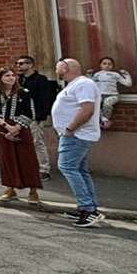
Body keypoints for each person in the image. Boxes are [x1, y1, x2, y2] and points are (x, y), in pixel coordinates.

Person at [52, 58, 105, 228]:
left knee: (67, 167)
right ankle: (88, 207)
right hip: (76, 134)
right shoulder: (75, 85)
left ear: (66, 67)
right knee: (80, 170)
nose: (56, 70)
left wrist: (69, 129)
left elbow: (87, 109)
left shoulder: (83, 84)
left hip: (77, 135)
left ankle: (88, 209)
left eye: (58, 66)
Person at [0, 68, 41, 202]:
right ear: (0, 78)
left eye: (13, 75)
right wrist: (6, 126)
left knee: (27, 158)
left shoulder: (23, 93)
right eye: (7, 76)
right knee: (7, 159)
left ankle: (33, 190)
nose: (11, 78)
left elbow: (30, 112)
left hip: (21, 127)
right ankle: (10, 188)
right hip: (2, 127)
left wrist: (17, 127)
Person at [15, 55, 56, 180]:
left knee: (37, 142)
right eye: (17, 63)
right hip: (19, 117)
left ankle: (44, 169)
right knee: (22, 142)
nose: (18, 66)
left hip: (34, 116)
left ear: (30, 65)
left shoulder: (40, 79)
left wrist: (40, 116)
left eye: (21, 63)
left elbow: (45, 99)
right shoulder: (19, 80)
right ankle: (27, 167)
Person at [91, 57, 133, 128]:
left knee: (107, 103)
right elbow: (90, 84)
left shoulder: (115, 74)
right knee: (95, 105)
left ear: (112, 66)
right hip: (99, 95)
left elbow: (128, 84)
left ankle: (105, 119)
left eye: (109, 64)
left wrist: (127, 74)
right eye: (104, 63)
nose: (107, 65)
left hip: (112, 95)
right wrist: (88, 75)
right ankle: (102, 120)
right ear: (100, 65)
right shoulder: (96, 74)